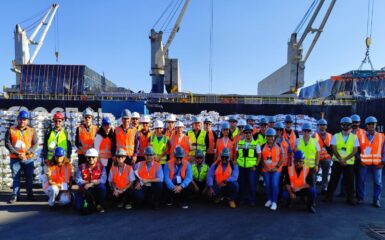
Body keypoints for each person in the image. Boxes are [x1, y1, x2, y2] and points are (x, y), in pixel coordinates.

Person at [323, 117, 359, 205]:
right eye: (344, 125)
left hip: (348, 163)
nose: (345, 127)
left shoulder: (354, 137)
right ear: (341, 125)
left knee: (350, 181)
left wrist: (345, 159)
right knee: (333, 180)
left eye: (347, 125)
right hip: (337, 162)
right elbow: (333, 148)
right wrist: (340, 159)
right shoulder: (336, 136)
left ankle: (350, 199)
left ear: (350, 126)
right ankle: (329, 196)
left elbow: (355, 150)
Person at [6, 110, 39, 203]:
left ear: (27, 120)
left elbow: (35, 144)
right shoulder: (11, 130)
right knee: (16, 177)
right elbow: (7, 144)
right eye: (21, 119)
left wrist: (27, 153)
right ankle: (15, 196)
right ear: (18, 119)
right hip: (15, 158)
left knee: (29, 177)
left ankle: (30, 195)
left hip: (28, 158)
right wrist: (17, 154)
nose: (22, 121)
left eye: (24, 119)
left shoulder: (32, 130)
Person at [357, 116, 384, 207]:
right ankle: (361, 198)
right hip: (364, 163)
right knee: (361, 181)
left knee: (377, 182)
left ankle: (376, 200)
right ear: (366, 125)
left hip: (377, 164)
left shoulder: (382, 136)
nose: (371, 125)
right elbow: (357, 150)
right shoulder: (360, 136)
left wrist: (383, 162)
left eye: (373, 124)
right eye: (369, 124)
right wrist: (360, 160)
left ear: (376, 125)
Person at [75, 148, 107, 214]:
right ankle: (90, 204)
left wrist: (91, 183)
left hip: (96, 188)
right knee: (79, 207)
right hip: (85, 189)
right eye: (89, 157)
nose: (91, 159)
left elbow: (103, 180)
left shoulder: (101, 167)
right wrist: (87, 183)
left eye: (93, 157)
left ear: (97, 158)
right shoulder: (81, 167)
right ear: (86, 158)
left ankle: (98, 204)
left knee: (102, 188)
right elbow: (78, 180)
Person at [236, 125, 261, 207]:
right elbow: (237, 155)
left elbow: (259, 156)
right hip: (242, 167)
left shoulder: (256, 144)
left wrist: (255, 166)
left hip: (251, 168)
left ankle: (251, 200)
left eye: (249, 132)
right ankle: (242, 199)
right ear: (244, 134)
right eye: (246, 133)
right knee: (242, 184)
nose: (248, 134)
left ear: (252, 133)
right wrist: (237, 163)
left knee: (251, 184)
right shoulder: (240, 143)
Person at [261, 128, 284, 211]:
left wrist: (276, 167)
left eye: (272, 136)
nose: (270, 138)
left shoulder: (279, 145)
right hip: (266, 170)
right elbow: (261, 159)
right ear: (266, 137)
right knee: (268, 185)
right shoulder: (262, 146)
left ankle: (274, 202)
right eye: (268, 136)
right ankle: (269, 199)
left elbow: (282, 158)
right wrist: (266, 167)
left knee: (274, 184)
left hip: (276, 170)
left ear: (274, 137)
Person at [313, 119, 333, 194]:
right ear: (318, 126)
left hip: (327, 159)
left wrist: (332, 156)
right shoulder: (314, 135)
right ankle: (313, 188)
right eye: (320, 125)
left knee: (325, 174)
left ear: (326, 126)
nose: (322, 127)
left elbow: (333, 147)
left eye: (324, 125)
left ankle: (324, 188)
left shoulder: (330, 136)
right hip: (317, 158)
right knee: (314, 174)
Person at [274, 122, 292, 198]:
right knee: (279, 181)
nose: (278, 131)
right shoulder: (271, 140)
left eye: (280, 130)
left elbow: (290, 152)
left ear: (282, 131)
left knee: (287, 181)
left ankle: (286, 195)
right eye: (277, 130)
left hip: (285, 165)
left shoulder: (286, 141)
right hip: (277, 165)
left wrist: (290, 163)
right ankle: (278, 195)